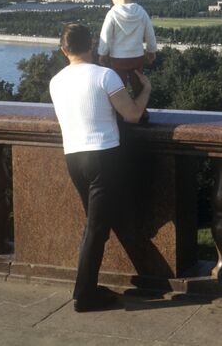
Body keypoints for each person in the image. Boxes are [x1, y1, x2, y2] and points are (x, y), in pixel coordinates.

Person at [49, 22, 153, 312]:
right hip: (104, 157)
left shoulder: (56, 81)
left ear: (64, 49)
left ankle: (89, 288)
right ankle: (84, 294)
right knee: (96, 228)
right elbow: (132, 115)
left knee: (96, 225)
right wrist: (146, 90)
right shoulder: (105, 76)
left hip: (73, 157)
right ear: (91, 45)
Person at [98, 0, 158, 97]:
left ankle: (120, 112)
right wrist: (151, 51)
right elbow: (150, 34)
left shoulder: (112, 14)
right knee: (138, 85)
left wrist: (102, 54)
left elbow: (105, 37)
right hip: (137, 56)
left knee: (119, 87)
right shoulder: (141, 12)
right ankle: (141, 111)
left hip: (118, 58)